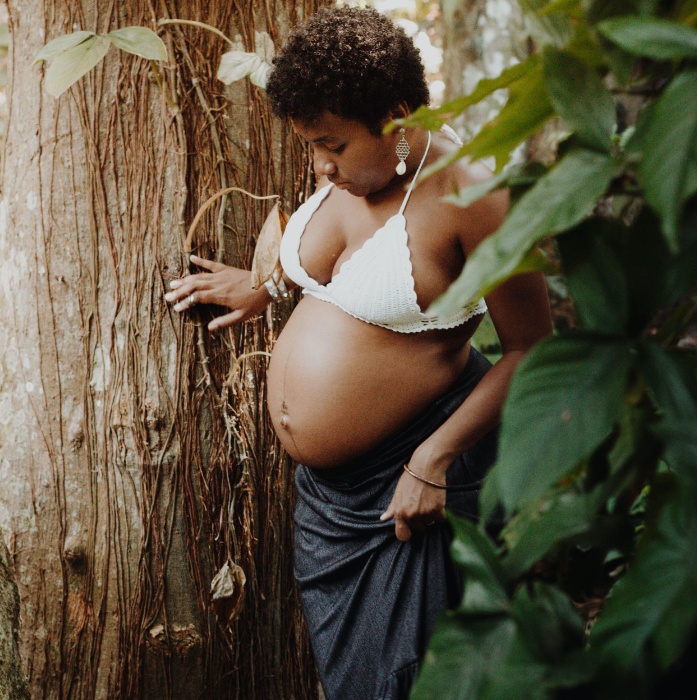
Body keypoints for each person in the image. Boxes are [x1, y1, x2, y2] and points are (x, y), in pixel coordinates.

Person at [165, 7, 552, 699]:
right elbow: (336, 274)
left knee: (408, 683)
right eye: (312, 145)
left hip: (410, 479)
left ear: (397, 115)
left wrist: (432, 460)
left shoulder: (472, 192)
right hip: (328, 504)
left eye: (332, 145)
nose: (319, 164)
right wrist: (259, 289)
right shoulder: (353, 175)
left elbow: (532, 348)